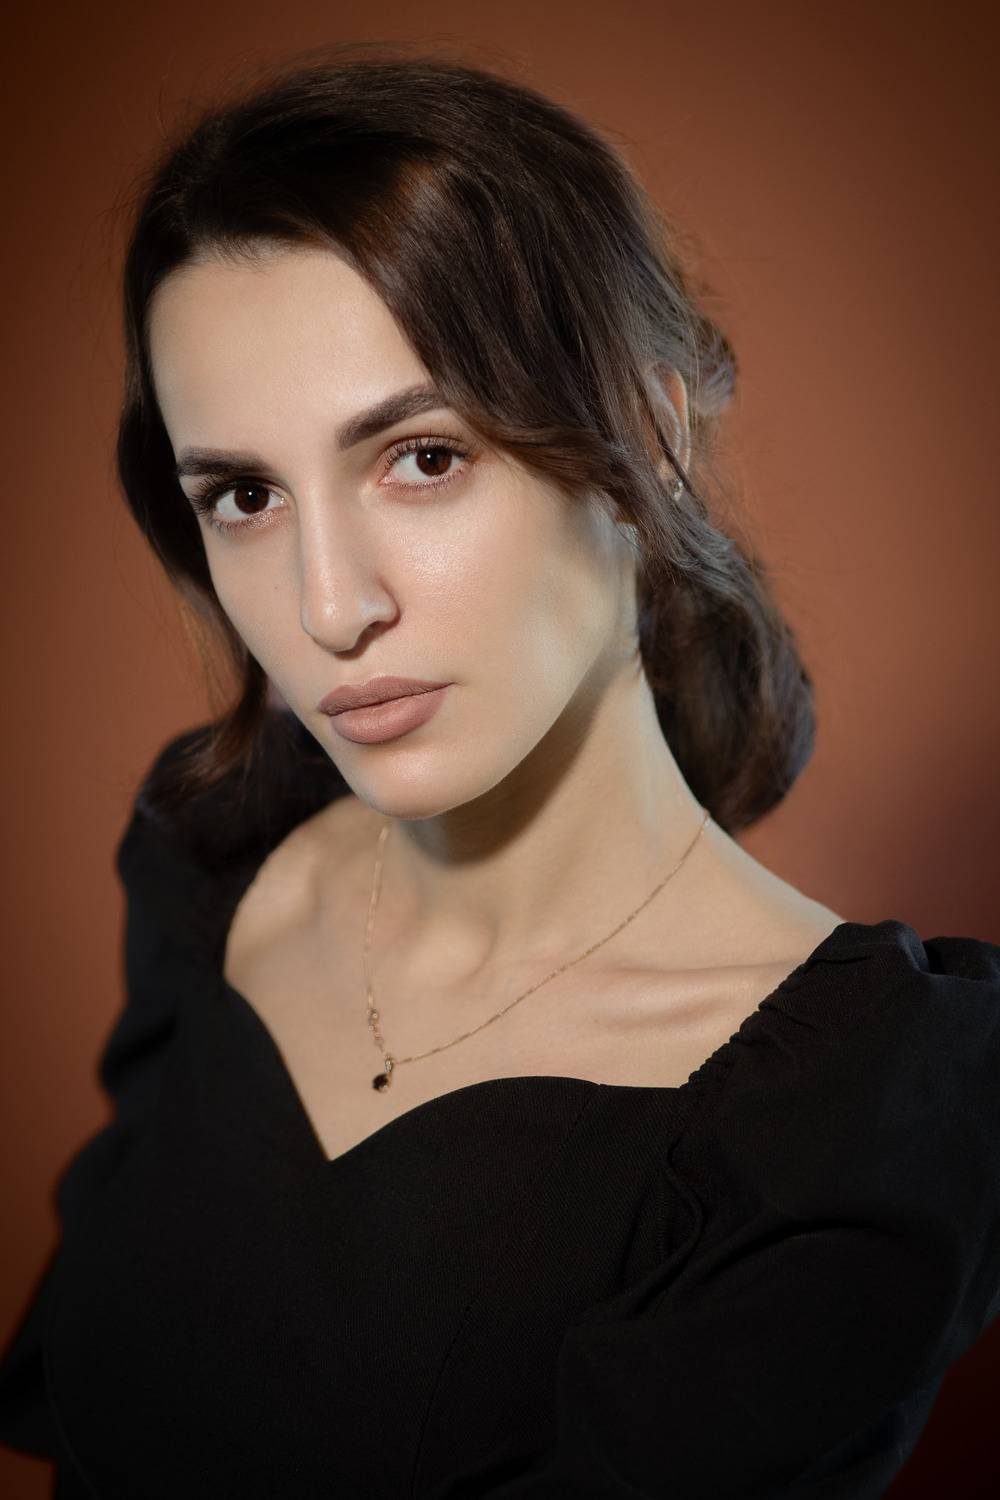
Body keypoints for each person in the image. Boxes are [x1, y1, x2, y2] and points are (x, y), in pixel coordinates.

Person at [2, 42, 998, 1499]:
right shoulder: (216, 854)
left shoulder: (851, 1126)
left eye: (422, 457)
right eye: (246, 495)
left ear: (650, 440)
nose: (329, 607)